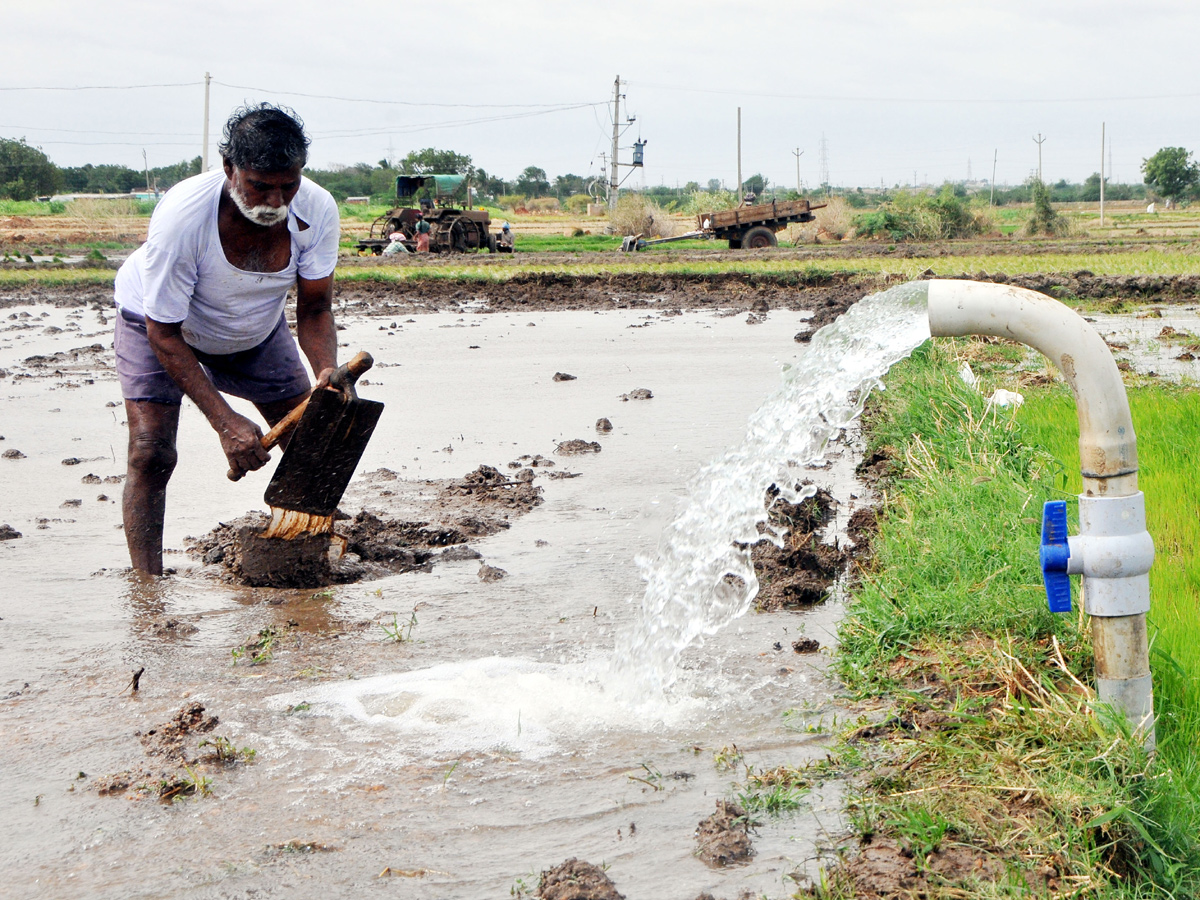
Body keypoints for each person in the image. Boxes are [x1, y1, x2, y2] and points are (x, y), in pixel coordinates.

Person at [112, 103, 340, 575]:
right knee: (151, 451)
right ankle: (147, 588)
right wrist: (224, 421)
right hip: (163, 328)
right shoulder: (182, 218)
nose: (275, 203)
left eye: (288, 186)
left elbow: (315, 308)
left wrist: (325, 371)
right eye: (260, 186)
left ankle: (308, 553)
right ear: (230, 169)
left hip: (254, 328)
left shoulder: (316, 210)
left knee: (312, 446)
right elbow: (164, 332)